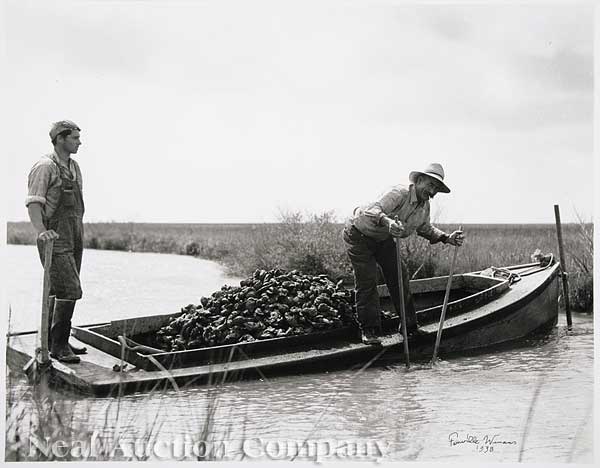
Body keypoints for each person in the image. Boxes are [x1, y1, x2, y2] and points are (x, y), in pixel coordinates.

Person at [342, 163, 465, 345]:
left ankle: (409, 328)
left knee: (400, 276)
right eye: (431, 185)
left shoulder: (424, 207)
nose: (432, 192)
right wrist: (388, 222)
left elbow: (425, 228)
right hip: (358, 233)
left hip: (383, 239)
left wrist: (447, 238)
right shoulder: (399, 193)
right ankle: (370, 330)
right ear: (419, 180)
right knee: (367, 279)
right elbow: (372, 210)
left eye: (436, 189)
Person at [26, 120, 87, 363]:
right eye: (74, 138)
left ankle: (54, 340)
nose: (79, 142)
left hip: (74, 234)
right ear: (60, 139)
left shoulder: (75, 167)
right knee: (70, 289)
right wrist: (41, 231)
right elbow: (34, 203)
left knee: (59, 290)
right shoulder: (44, 166)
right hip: (54, 237)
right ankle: (59, 347)